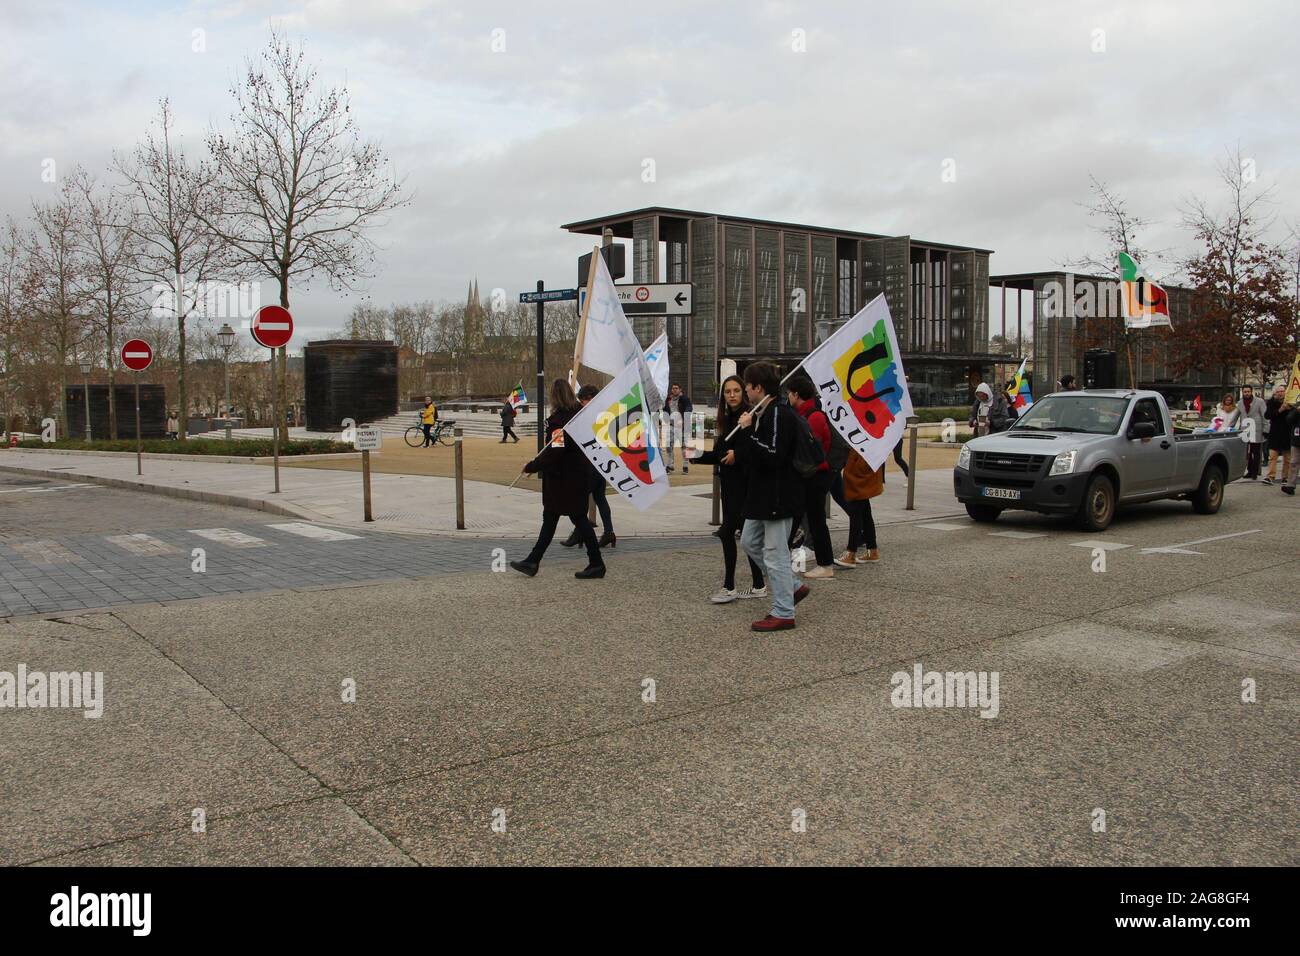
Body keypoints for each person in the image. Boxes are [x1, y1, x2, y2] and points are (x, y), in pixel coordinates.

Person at [733, 361, 810, 632]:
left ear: (758, 387)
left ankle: (783, 612)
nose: (745, 391)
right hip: (763, 497)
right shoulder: (765, 413)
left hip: (779, 496)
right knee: (750, 541)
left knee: (775, 553)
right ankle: (793, 586)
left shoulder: (778, 413)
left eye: (747, 386)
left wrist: (747, 432)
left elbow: (773, 455)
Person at [510, 380, 605, 579]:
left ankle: (596, 563)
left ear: (554, 397)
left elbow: (555, 451)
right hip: (576, 476)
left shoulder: (559, 421)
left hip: (563, 480)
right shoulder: (578, 415)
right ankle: (533, 560)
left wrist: (532, 466)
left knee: (575, 519)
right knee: (555, 518)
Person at [687, 375, 767, 603]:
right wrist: (697, 456)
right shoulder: (725, 419)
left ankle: (730, 586)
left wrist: (737, 454)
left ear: (743, 392)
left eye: (736, 391)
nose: (732, 395)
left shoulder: (748, 417)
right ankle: (759, 583)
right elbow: (722, 454)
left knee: (727, 533)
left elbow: (749, 450)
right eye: (727, 391)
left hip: (745, 485)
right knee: (746, 536)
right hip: (730, 485)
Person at [785, 373, 836, 579]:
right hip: (811, 476)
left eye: (789, 393)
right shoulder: (806, 415)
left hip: (813, 476)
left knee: (815, 521)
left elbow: (806, 451)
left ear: (796, 394)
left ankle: (826, 564)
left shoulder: (812, 417)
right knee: (802, 519)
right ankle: (779, 558)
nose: (788, 397)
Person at [561, 384, 616, 549]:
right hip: (601, 461)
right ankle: (609, 532)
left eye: (583, 400)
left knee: (580, 497)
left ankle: (580, 532)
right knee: (600, 498)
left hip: (591, 463)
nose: (581, 403)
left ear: (591, 398)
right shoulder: (605, 413)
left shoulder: (592, 415)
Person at [839, 451, 884, 565]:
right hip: (862, 470)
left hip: (859, 475)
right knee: (865, 514)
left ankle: (851, 553)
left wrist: (852, 465)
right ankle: (872, 550)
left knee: (856, 514)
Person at [662, 383, 694, 474]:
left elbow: (689, 407)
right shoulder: (668, 399)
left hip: (682, 426)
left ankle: (685, 466)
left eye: (676, 388)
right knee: (668, 446)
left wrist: (685, 417)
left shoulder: (684, 399)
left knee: (684, 447)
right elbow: (665, 410)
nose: (674, 390)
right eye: (673, 388)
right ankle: (670, 466)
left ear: (680, 389)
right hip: (671, 426)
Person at [1263, 385, 1292, 485]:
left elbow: (1293, 417)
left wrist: (1288, 409)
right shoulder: (1271, 402)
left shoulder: (1290, 402)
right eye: (1278, 391)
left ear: (1285, 392)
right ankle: (1270, 477)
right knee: (1272, 456)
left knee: (1287, 458)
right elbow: (1267, 415)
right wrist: (1280, 410)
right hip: (1275, 432)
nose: (1280, 393)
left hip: (1287, 433)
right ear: (1275, 393)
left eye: (1282, 391)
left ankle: (1285, 477)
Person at [1238, 385, 1266, 479]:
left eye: (1248, 391)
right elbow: (1236, 416)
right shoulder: (1240, 403)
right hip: (1245, 430)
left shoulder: (1259, 401)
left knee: (1256, 452)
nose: (1247, 393)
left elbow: (1264, 416)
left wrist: (1266, 429)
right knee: (1247, 453)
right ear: (1242, 392)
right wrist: (1228, 427)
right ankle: (1249, 471)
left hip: (1256, 429)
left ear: (1251, 391)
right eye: (1245, 392)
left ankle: (1255, 472)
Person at [1280, 402, 1300, 496]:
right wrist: (1296, 411)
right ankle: (1290, 486)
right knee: (1293, 463)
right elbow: (1289, 420)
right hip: (1297, 440)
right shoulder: (1296, 406)